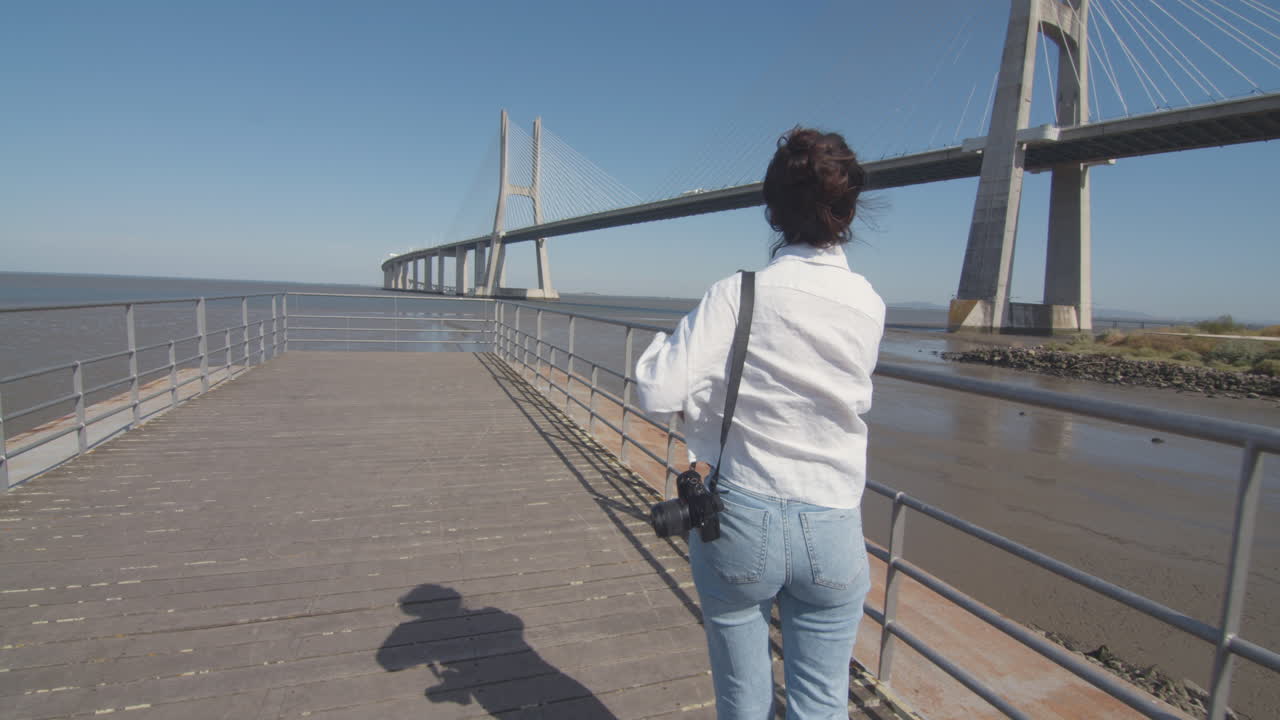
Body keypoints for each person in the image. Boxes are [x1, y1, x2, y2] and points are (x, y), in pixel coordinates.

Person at [635, 127, 884, 719]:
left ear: (772, 212)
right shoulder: (869, 304)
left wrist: (664, 354)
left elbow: (656, 390)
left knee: (743, 704)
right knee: (822, 707)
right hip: (833, 522)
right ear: (849, 209)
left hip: (742, 515)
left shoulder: (737, 294)